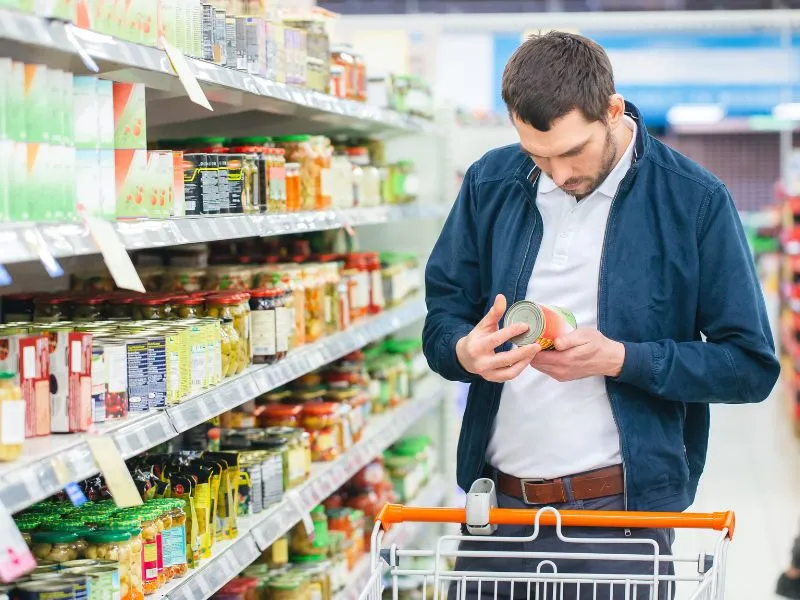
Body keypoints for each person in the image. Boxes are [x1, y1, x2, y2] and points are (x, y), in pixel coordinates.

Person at [422, 32, 779, 600]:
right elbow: (443, 314)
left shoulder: (694, 201)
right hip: (498, 514)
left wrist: (622, 359)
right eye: (537, 155)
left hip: (620, 522)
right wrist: (463, 352)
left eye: (571, 152)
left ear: (613, 110)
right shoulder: (492, 181)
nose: (558, 173)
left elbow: (749, 366)